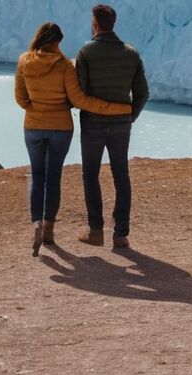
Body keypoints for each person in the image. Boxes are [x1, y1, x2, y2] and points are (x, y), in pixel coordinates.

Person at [15, 22, 132, 256]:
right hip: (61, 128)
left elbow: (20, 98)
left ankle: (36, 222)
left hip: (34, 127)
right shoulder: (65, 66)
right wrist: (116, 108)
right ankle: (48, 229)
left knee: (37, 175)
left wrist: (37, 109)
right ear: (57, 42)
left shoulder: (24, 61)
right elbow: (79, 100)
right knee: (53, 177)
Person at [75, 4, 149, 249]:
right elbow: (142, 93)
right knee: (121, 176)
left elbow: (80, 91)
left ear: (95, 23)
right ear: (113, 24)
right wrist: (129, 117)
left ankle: (96, 231)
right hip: (121, 126)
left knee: (90, 175)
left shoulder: (86, 52)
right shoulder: (131, 53)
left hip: (92, 124)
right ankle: (121, 235)